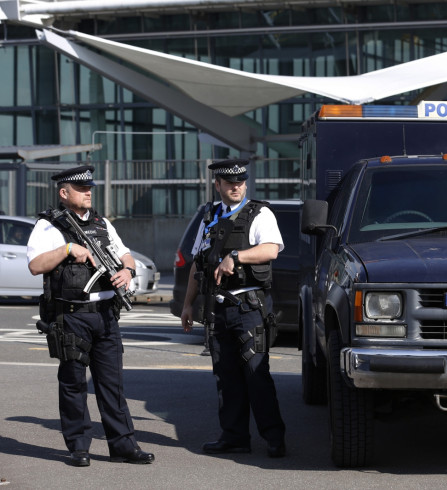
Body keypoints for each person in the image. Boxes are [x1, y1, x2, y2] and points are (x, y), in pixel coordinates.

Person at [27, 165, 155, 467]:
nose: (88, 192)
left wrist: (128, 270)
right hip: (72, 315)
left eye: (90, 188)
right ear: (64, 192)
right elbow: (35, 264)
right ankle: (78, 446)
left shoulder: (102, 223)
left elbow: (125, 253)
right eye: (81, 188)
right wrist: (69, 248)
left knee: (112, 383)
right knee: (73, 382)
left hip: (106, 314)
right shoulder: (49, 226)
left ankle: (123, 445)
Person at [180, 158, 286, 458]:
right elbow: (197, 264)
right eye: (230, 183)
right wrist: (188, 304)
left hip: (249, 308)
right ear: (218, 185)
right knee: (226, 378)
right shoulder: (209, 215)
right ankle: (235, 437)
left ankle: (274, 438)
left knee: (256, 374)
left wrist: (236, 257)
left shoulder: (259, 213)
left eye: (240, 181)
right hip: (218, 309)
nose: (236, 186)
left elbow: (270, 250)